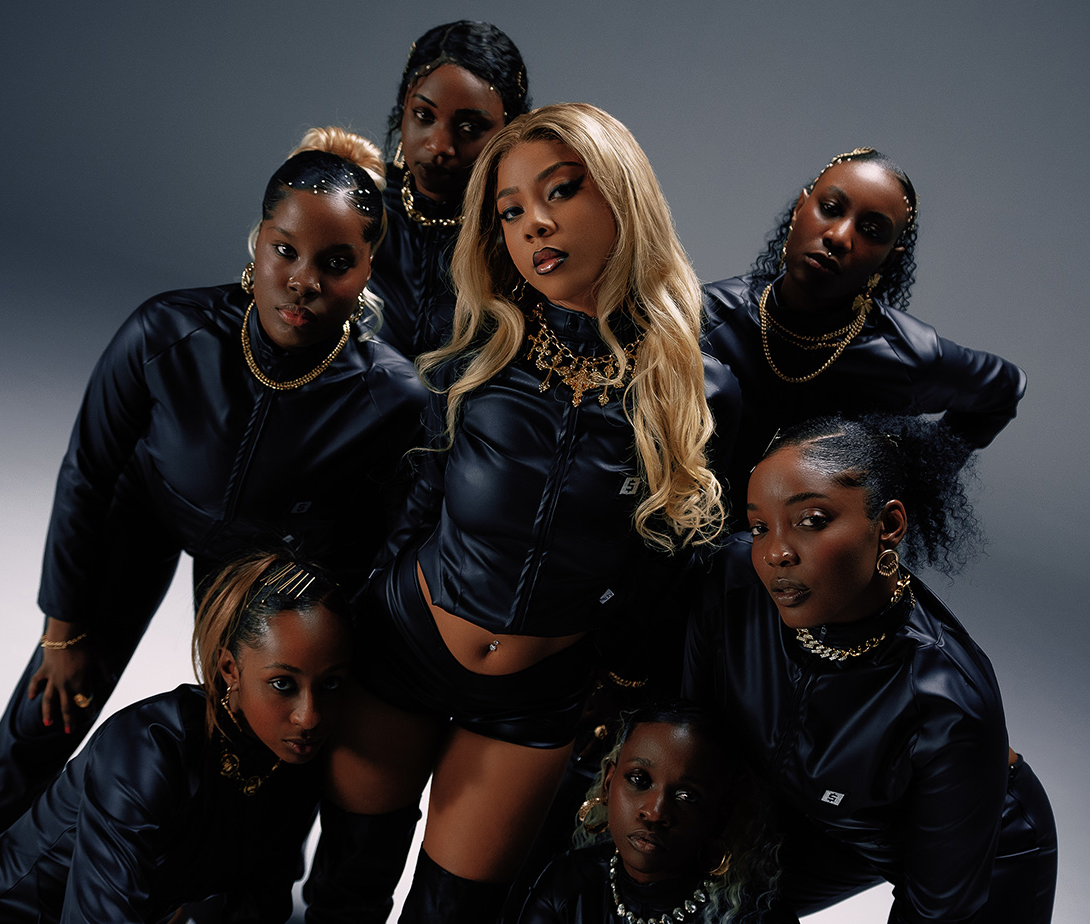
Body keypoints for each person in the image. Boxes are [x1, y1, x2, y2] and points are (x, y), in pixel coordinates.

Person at [0, 128, 428, 896]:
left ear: (369, 269)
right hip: (145, 511)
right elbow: (88, 472)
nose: (303, 281)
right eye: (286, 251)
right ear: (258, 242)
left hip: (264, 562)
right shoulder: (166, 331)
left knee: (266, 726)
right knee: (50, 703)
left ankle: (243, 899)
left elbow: (388, 541)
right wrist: (64, 629)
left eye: (336, 263)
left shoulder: (391, 398)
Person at [302, 103, 741, 924]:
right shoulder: (478, 350)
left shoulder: (698, 388)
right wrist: (360, 616)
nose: (534, 223)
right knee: (343, 892)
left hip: (535, 697)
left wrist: (620, 682)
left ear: (622, 196)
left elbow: (667, 559)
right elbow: (418, 501)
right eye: (510, 211)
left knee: (455, 915)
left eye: (560, 191)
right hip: (405, 645)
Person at [684, 414, 1058, 922]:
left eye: (811, 520)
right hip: (824, 822)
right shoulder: (734, 583)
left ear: (889, 526)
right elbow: (694, 737)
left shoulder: (947, 700)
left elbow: (935, 911)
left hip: (983, 847)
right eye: (760, 527)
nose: (776, 553)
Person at [0, 552, 355, 924]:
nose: (310, 716)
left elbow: (259, 902)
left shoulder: (294, 757)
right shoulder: (148, 746)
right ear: (229, 670)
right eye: (283, 684)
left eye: (331, 684)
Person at [701, 148, 1026, 521]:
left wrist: (916, 475)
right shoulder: (707, 316)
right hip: (689, 537)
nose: (839, 236)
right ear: (799, 209)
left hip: (803, 552)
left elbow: (1004, 388)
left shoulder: (904, 355)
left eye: (871, 231)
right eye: (830, 209)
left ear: (889, 258)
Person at [514, 700, 794, 924]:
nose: (655, 812)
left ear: (721, 813)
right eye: (639, 780)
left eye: (687, 796)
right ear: (609, 782)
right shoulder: (567, 886)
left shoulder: (758, 916)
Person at [368, 20, 531, 359]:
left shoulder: (524, 229)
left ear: (509, 131)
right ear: (403, 110)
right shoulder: (357, 207)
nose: (439, 146)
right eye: (423, 115)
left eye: (470, 127)